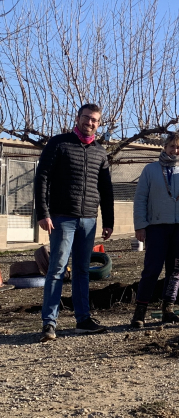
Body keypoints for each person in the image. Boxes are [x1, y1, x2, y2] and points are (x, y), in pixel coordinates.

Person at [35, 104, 114, 343]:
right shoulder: (58, 143)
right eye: (87, 118)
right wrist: (43, 212)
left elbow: (106, 189)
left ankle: (83, 320)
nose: (90, 123)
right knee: (57, 269)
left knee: (82, 271)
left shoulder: (100, 152)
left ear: (99, 124)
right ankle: (49, 323)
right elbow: (42, 178)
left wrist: (108, 221)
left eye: (95, 120)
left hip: (89, 219)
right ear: (78, 118)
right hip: (61, 218)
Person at [131, 134, 179, 328]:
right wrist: (140, 225)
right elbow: (140, 199)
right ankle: (140, 312)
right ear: (164, 148)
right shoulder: (150, 170)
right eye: (171, 146)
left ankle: (168, 310)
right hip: (157, 227)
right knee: (152, 269)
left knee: (175, 270)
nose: (175, 151)